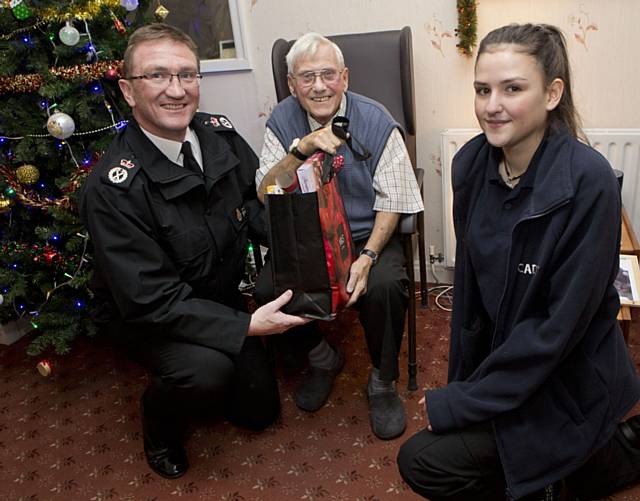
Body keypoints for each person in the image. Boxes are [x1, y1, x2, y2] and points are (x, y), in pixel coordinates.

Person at [397, 23, 640, 501]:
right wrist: (466, 386)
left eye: (512, 88)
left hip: (564, 376)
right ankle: (570, 470)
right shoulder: (469, 164)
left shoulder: (589, 183)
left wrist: (463, 402)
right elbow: (467, 296)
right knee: (427, 458)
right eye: (482, 89)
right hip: (506, 367)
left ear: (552, 94)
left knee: (424, 462)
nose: (492, 105)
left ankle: (599, 455)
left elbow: (556, 332)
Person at [79, 23, 309, 480]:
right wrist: (245, 325)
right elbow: (150, 300)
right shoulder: (111, 190)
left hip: (214, 293)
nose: (176, 90)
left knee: (258, 413)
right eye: (158, 76)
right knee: (205, 372)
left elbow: (251, 206)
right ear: (128, 90)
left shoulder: (218, 135)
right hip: (149, 318)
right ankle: (159, 425)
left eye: (187, 75)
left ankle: (220, 368)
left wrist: (310, 244)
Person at [254, 32, 424, 440]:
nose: (319, 86)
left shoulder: (376, 119)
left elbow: (395, 198)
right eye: (306, 77)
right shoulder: (281, 120)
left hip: (366, 238)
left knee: (385, 287)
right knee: (267, 288)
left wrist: (366, 257)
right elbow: (266, 194)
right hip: (308, 240)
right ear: (292, 84)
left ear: (345, 78)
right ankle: (321, 356)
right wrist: (300, 151)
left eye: (328, 74)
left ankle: (382, 381)